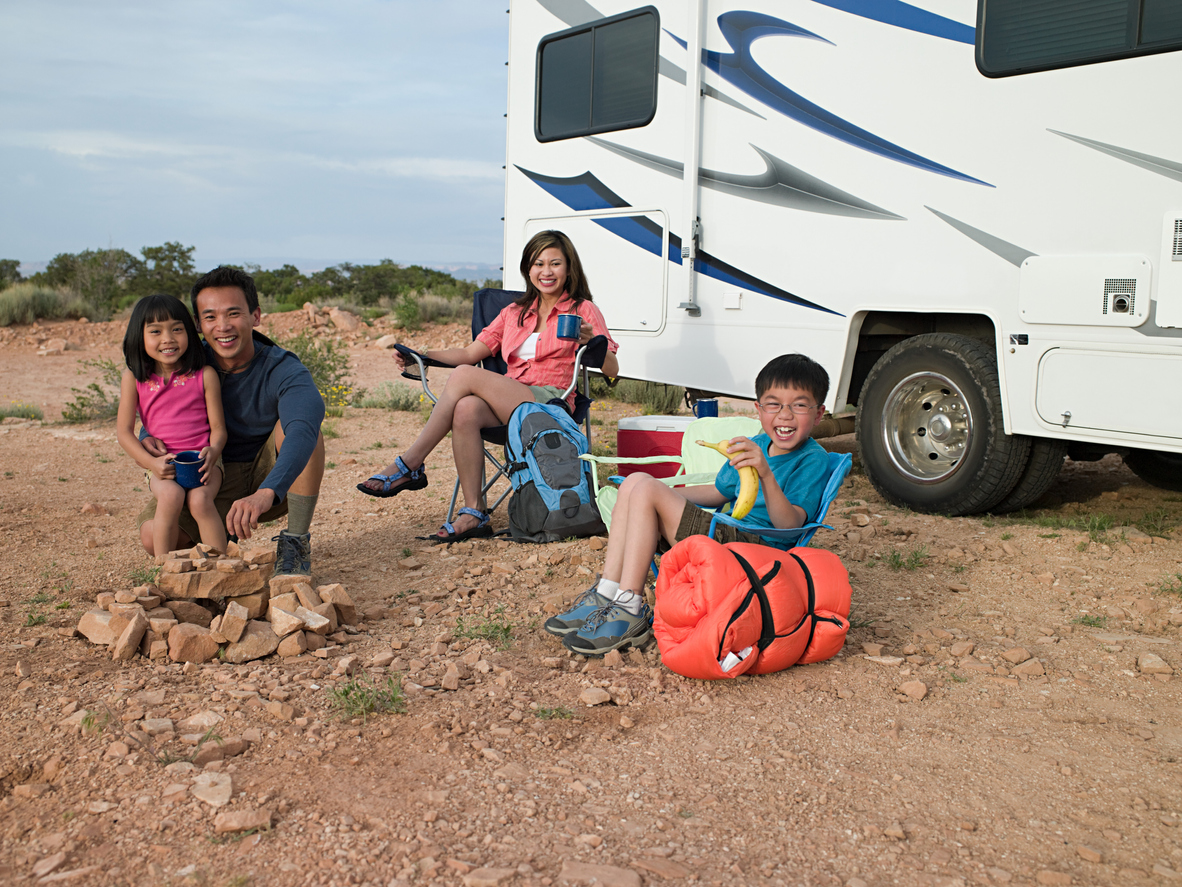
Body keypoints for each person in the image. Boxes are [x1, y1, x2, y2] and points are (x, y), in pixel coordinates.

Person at [546, 353, 832, 656]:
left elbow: (791, 525)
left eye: (799, 405)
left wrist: (766, 475)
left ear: (818, 414)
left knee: (645, 489)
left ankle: (629, 609)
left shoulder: (812, 459)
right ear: (759, 410)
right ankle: (606, 593)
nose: (785, 415)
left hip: (757, 551)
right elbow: (718, 491)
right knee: (636, 482)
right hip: (727, 534)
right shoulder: (756, 444)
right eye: (774, 404)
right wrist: (661, 493)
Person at [358, 230, 620, 543]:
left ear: (568, 269)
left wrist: (594, 343)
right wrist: (422, 356)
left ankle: (409, 465)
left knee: (466, 376)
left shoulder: (583, 310)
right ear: (528, 268)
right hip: (512, 401)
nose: (546, 271)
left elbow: (613, 368)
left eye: (555, 264)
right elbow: (470, 353)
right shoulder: (513, 313)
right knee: (466, 409)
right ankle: (474, 512)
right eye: (538, 264)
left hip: (551, 404)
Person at [136, 267, 326, 576]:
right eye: (210, 317)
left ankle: (295, 543)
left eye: (234, 313)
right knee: (152, 535)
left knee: (305, 433)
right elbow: (157, 405)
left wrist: (267, 492)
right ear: (197, 324)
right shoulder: (185, 365)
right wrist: (146, 433)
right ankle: (209, 555)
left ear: (256, 316)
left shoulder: (283, 368)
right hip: (207, 473)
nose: (223, 327)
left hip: (269, 475)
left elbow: (304, 427)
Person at [117, 294, 228, 558]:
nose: (168, 338)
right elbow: (123, 432)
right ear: (139, 337)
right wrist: (150, 463)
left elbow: (219, 428)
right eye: (155, 331)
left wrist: (214, 452)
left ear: (189, 332)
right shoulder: (134, 378)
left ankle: (223, 570)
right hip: (162, 464)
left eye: (177, 329)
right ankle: (165, 572)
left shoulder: (204, 375)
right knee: (170, 497)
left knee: (200, 500)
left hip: (204, 461)